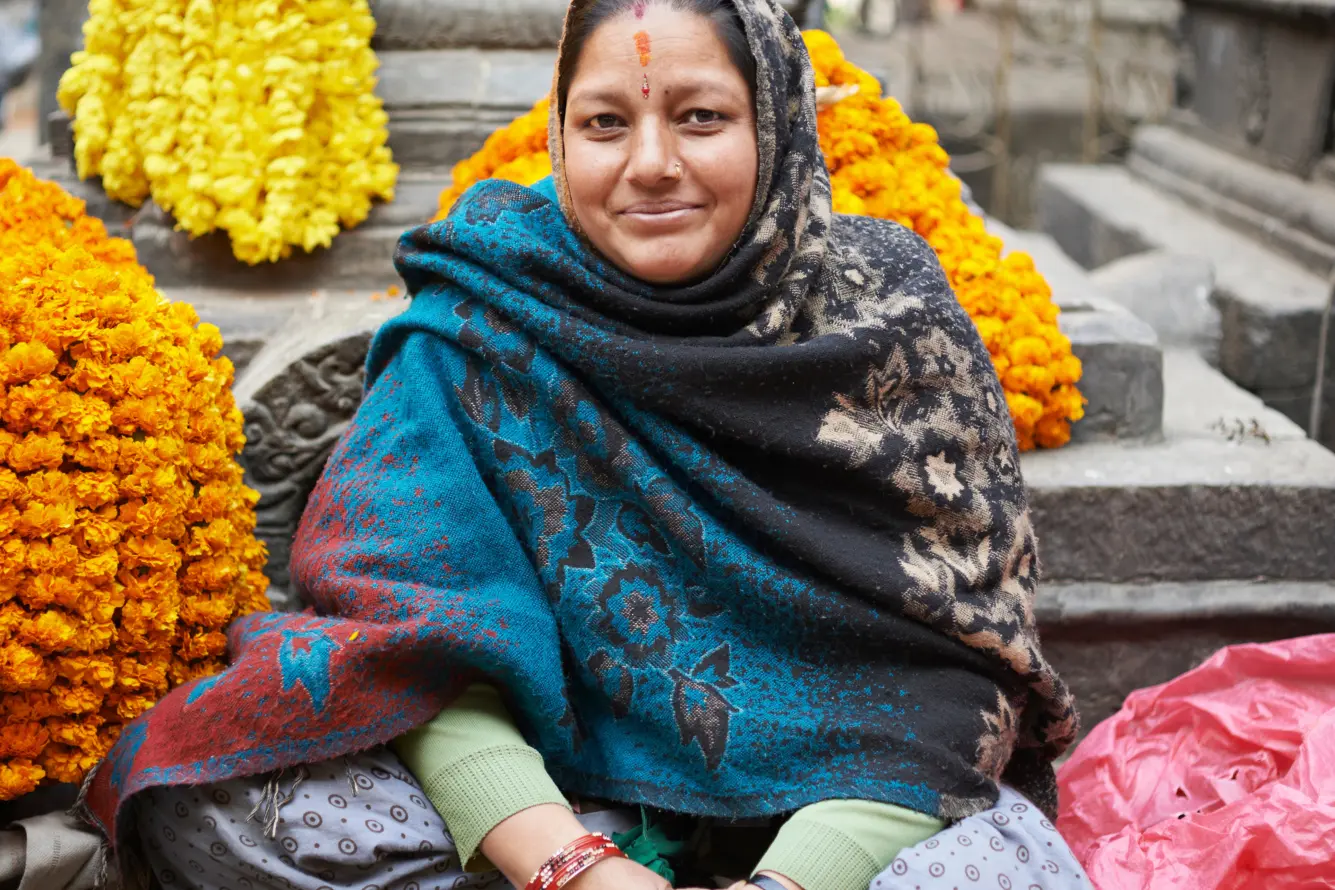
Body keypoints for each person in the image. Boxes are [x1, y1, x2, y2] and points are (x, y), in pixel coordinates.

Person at [81, 1, 1089, 888]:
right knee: (211, 798)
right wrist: (573, 866)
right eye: (606, 122)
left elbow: (957, 674)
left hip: (846, 815)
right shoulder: (486, 310)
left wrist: (791, 880)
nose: (651, 164)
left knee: (994, 869)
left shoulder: (888, 317)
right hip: (558, 805)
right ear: (562, 137)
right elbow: (410, 637)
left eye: (700, 117)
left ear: (777, 123)